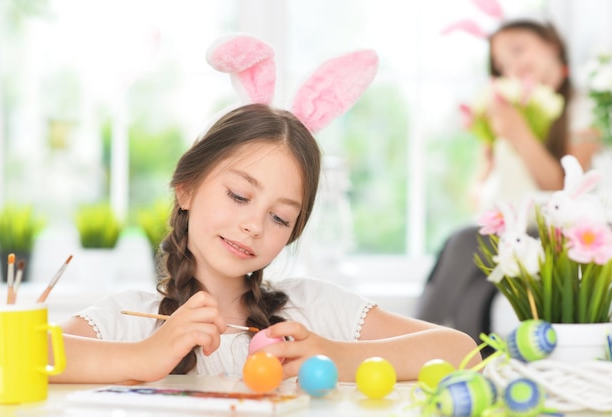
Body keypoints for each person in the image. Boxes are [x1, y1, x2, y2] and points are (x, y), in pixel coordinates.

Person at [50, 103, 480, 384]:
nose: (254, 225)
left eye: (279, 217)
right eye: (239, 195)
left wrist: (331, 355)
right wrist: (146, 356)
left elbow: (462, 352)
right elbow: (17, 354)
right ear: (186, 188)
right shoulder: (133, 319)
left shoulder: (313, 312)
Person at [415, 19, 602, 353]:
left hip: (557, 231)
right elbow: (477, 195)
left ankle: (408, 346)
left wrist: (519, 134)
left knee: (462, 243)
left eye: (518, 50)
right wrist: (492, 146)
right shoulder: (507, 114)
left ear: (552, 46)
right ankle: (470, 363)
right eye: (503, 64)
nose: (513, 66)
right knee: (471, 281)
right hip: (512, 226)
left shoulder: (583, 107)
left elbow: (564, 189)